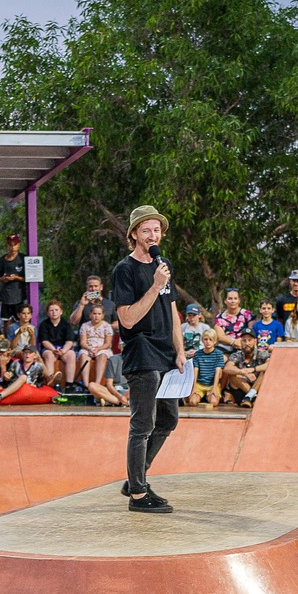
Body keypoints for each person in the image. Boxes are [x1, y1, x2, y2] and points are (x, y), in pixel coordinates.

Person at [111, 205, 184, 513]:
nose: (152, 235)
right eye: (146, 231)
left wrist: (180, 349)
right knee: (143, 424)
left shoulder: (163, 264)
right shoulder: (125, 270)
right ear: (133, 235)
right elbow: (126, 319)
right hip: (141, 351)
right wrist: (155, 285)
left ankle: (135, 477)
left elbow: (173, 311)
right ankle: (138, 495)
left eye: (156, 230)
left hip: (166, 352)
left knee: (168, 419)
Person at [0, 233, 29, 314]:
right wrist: (3, 279)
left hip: (20, 297)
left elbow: (30, 278)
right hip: (6, 297)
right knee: (6, 321)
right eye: (10, 245)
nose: (12, 247)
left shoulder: (24, 259)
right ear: (7, 245)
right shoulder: (2, 260)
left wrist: (16, 277)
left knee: (22, 318)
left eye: (15, 244)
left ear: (19, 245)